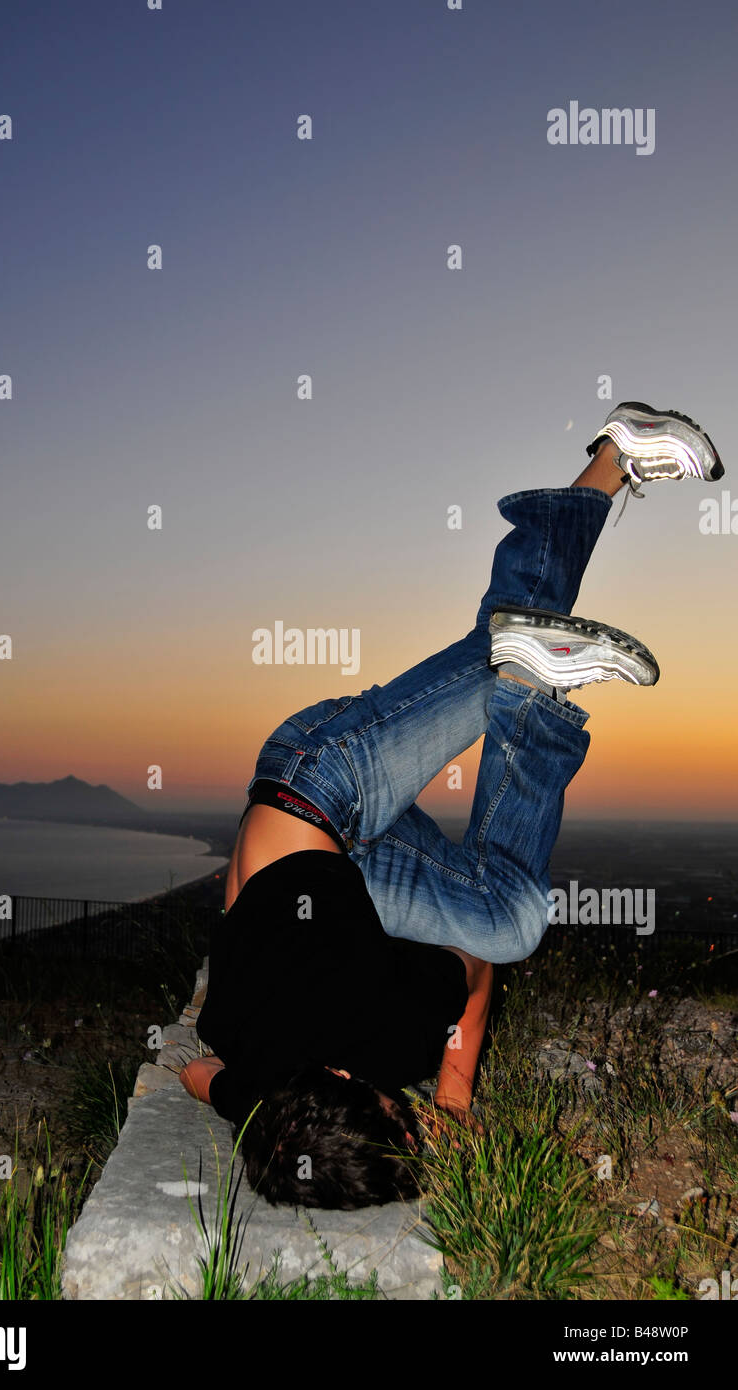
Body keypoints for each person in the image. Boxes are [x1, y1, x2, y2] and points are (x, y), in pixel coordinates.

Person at [180, 402, 723, 1210]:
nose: (408, 1116)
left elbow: (472, 974)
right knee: (507, 663)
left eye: (397, 1119)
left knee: (498, 665)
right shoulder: (260, 1091)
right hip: (333, 858)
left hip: (320, 780)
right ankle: (535, 660)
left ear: (357, 1086)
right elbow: (198, 1074)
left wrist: (454, 1094)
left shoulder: (385, 1036)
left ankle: (611, 466)